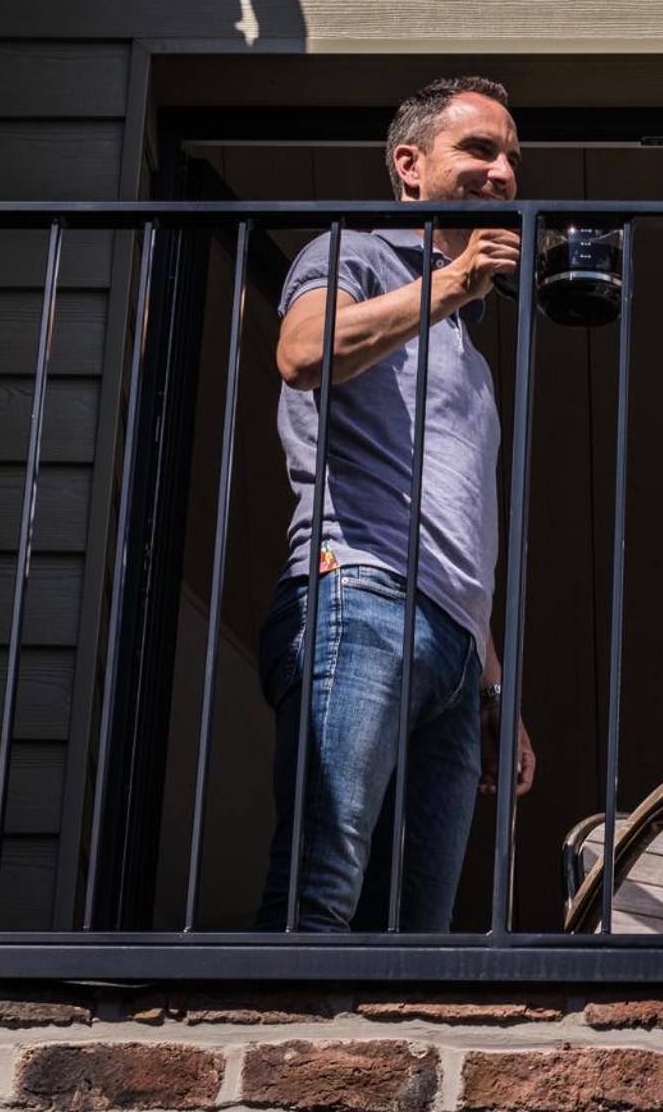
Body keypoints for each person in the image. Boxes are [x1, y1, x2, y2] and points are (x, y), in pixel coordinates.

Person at [257, 75, 535, 933]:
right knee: (322, 888)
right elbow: (301, 351)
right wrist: (450, 285)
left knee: (418, 940)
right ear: (409, 165)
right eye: (479, 149)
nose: (502, 172)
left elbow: (457, 531)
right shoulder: (354, 254)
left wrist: (495, 686)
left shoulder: (471, 356)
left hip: (454, 651)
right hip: (360, 596)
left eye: (512, 157)